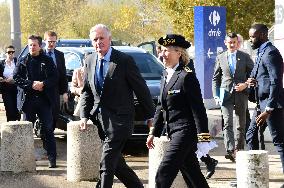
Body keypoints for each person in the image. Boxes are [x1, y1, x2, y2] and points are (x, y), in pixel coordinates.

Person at [79, 24, 155, 188]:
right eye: (95, 39)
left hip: (121, 120)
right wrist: (84, 115)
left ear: (109, 39)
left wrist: (151, 116)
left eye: (101, 38)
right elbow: (87, 91)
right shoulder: (89, 60)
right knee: (117, 164)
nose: (98, 42)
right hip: (100, 120)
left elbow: (141, 89)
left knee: (107, 161)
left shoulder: (124, 61)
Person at [146, 34, 210, 188]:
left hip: (185, 132)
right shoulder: (166, 75)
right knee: (193, 175)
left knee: (163, 174)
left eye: (167, 51)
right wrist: (153, 132)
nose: (162, 54)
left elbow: (198, 109)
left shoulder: (186, 77)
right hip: (172, 131)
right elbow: (161, 107)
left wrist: (203, 137)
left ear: (179, 53)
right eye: (162, 50)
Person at [13, 35, 58, 168]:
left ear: (40, 46)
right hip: (28, 101)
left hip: (44, 101)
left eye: (34, 45)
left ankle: (52, 159)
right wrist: (31, 84)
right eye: (30, 45)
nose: (32, 47)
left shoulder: (48, 60)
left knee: (48, 130)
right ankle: (24, 161)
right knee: (27, 130)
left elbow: (55, 77)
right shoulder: (23, 60)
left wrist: (43, 84)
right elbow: (16, 78)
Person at [246, 23, 284, 173]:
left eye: (252, 37)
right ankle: (253, 174)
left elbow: (276, 82)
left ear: (262, 35)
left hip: (271, 106)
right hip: (260, 104)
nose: (250, 40)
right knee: (251, 135)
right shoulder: (262, 51)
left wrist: (268, 109)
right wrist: (254, 82)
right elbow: (265, 79)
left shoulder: (271, 53)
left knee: (279, 142)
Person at [212, 32, 254, 162]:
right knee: (227, 122)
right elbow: (215, 78)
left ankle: (239, 149)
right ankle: (230, 150)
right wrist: (216, 95)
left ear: (238, 43)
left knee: (241, 123)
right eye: (229, 42)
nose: (232, 44)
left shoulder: (245, 57)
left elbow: (253, 75)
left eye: (234, 42)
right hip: (225, 95)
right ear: (225, 43)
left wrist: (245, 85)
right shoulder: (220, 57)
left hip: (241, 94)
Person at [43, 31, 68, 130]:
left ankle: (50, 133)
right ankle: (45, 134)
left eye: (54, 41)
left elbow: (63, 74)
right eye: (49, 41)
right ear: (45, 41)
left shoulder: (59, 55)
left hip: (55, 90)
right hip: (42, 90)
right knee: (44, 114)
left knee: (54, 114)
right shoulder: (39, 53)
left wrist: (65, 91)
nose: (52, 44)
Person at [0, 45, 20, 121]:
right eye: (9, 52)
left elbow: (21, 73)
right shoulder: (1, 63)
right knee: (9, 109)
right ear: (5, 53)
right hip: (6, 89)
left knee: (17, 108)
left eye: (12, 52)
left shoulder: (17, 62)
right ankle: (10, 126)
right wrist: (2, 78)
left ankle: (18, 126)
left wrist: (13, 78)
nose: (11, 54)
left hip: (16, 88)